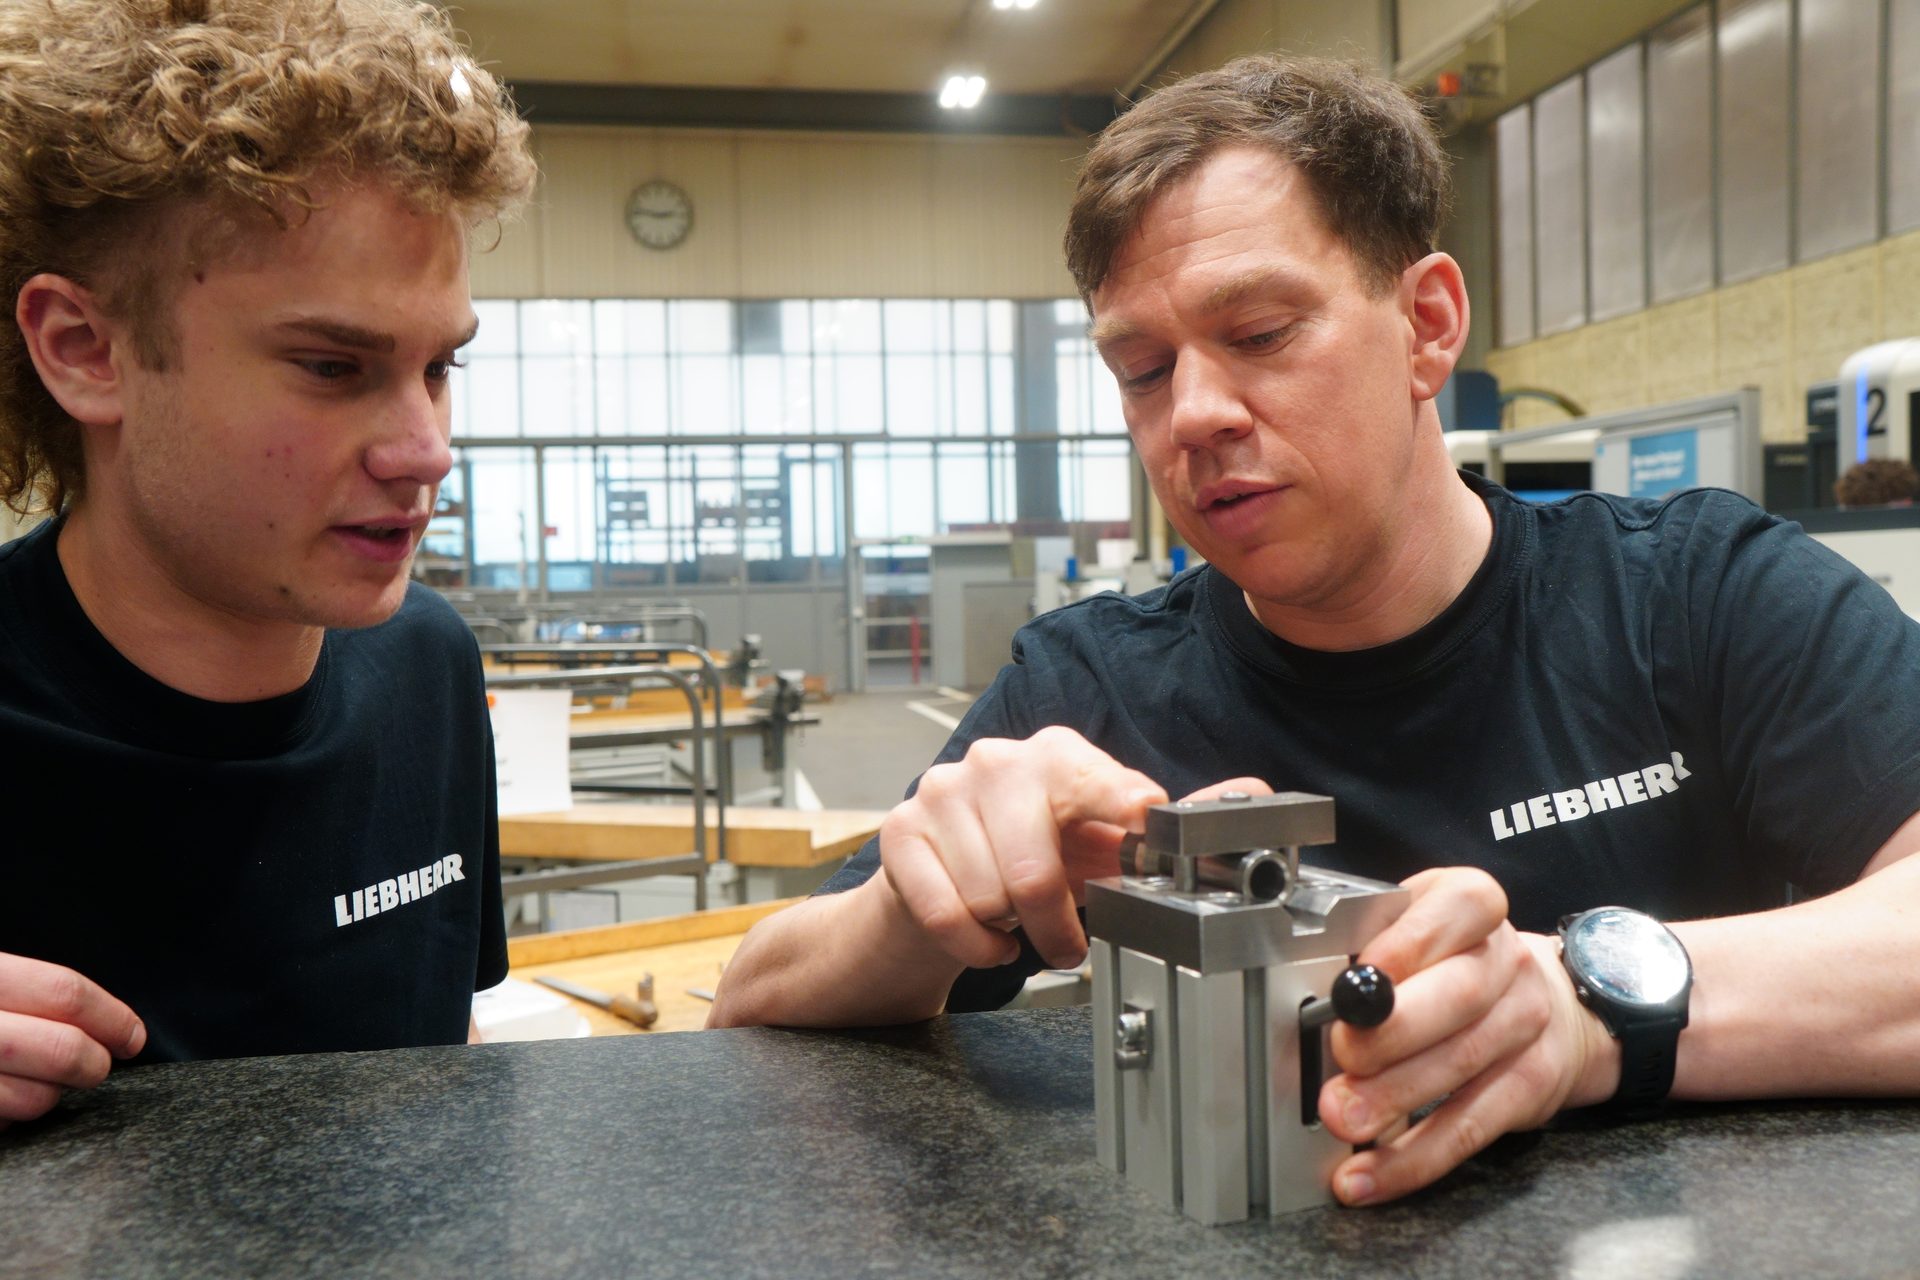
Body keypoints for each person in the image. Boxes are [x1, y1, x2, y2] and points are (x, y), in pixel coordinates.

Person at [709, 55, 1920, 1208]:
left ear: (1428, 323)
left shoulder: (1694, 597)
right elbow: (751, 1001)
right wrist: (914, 908)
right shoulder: (1092, 687)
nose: (1194, 414)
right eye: (1141, 369)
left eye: (1260, 333)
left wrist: (1585, 1007)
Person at [0, 0, 536, 1126]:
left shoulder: (425, 669)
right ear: (85, 350)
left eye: (440, 367)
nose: (427, 449)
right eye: (335, 365)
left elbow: (444, 1055)